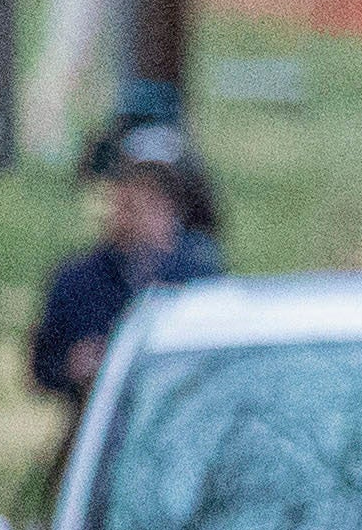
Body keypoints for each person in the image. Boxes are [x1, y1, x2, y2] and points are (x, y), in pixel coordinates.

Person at [28, 122, 220, 401]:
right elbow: (43, 367)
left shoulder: (203, 279)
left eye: (158, 198)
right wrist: (73, 367)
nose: (142, 206)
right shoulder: (78, 278)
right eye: (134, 191)